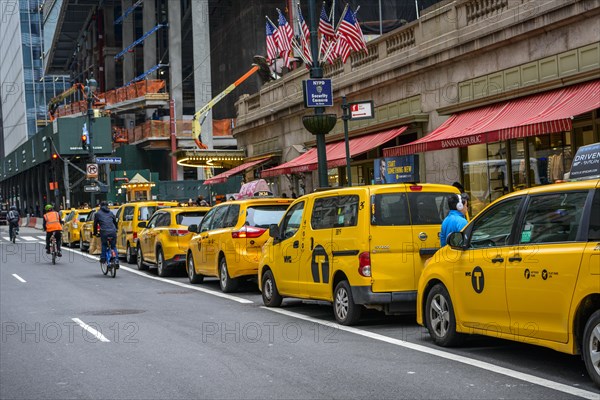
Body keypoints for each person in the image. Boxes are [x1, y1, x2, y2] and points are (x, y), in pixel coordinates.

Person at [93, 201, 119, 266]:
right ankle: (116, 260)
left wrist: (95, 233)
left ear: (100, 206)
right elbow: (115, 222)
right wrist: (116, 229)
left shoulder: (97, 214)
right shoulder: (111, 213)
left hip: (104, 232)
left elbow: (95, 224)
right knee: (113, 246)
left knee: (104, 244)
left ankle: (103, 258)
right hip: (113, 231)